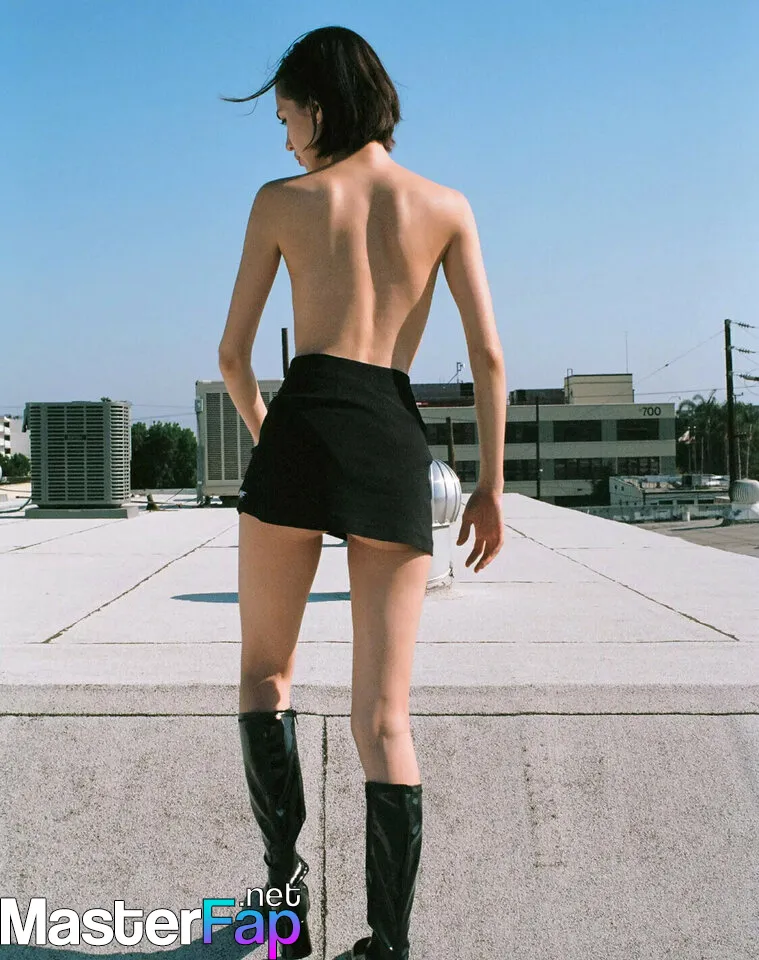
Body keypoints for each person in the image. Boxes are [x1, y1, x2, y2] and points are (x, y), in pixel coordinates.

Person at [217, 25, 506, 960]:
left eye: (286, 117)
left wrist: (276, 442)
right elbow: (488, 358)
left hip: (302, 428)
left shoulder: (282, 202)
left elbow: (233, 357)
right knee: (384, 718)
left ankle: (284, 912)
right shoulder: (445, 205)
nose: (284, 137)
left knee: (266, 677)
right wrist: (489, 488)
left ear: (319, 106)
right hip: (389, 437)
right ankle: (387, 945)